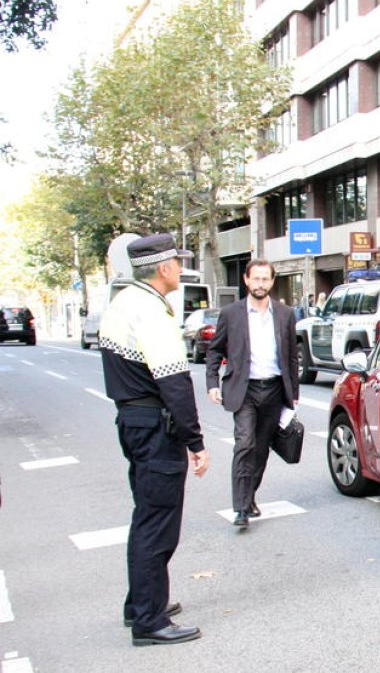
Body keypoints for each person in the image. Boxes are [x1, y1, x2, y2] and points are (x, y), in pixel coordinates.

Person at [99, 233, 208, 646]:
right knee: (158, 523)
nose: (180, 268)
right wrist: (195, 441)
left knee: (146, 515)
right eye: (177, 262)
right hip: (155, 427)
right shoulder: (150, 310)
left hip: (133, 421)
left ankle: (141, 604)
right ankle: (150, 620)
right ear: (163, 268)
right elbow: (174, 381)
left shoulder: (123, 301)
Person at [206, 260, 300, 528]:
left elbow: (292, 356)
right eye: (256, 279)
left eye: (265, 279)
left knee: (260, 449)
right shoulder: (231, 314)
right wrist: (212, 383)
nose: (260, 284)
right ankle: (241, 509)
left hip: (274, 389)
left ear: (272, 282)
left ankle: (249, 497)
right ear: (246, 280)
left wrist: (293, 393)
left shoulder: (285, 314)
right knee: (244, 444)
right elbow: (214, 350)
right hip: (244, 390)